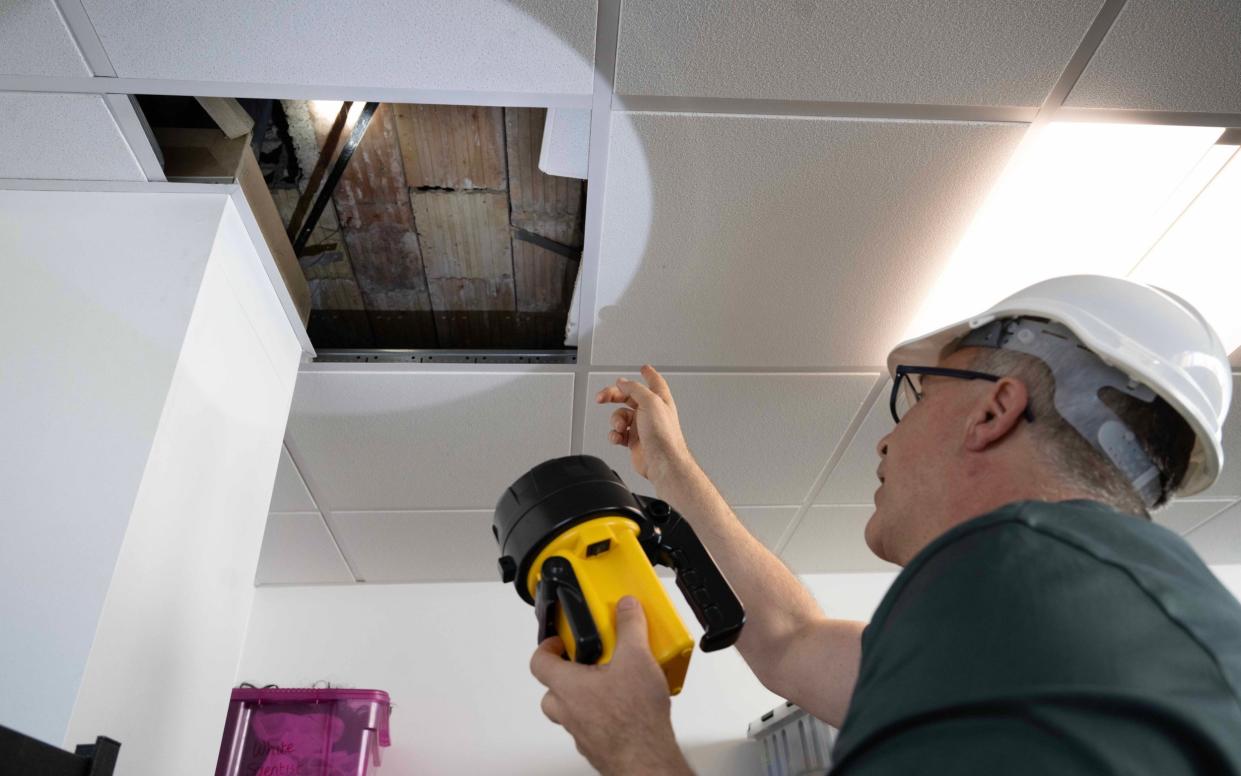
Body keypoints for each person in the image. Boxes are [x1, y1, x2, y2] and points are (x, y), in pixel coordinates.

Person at [528, 275, 1241, 775]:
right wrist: (673, 471)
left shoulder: (1021, 579)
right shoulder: (1081, 619)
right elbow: (785, 640)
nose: (884, 442)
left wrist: (631, 747)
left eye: (919, 396)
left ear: (992, 411)